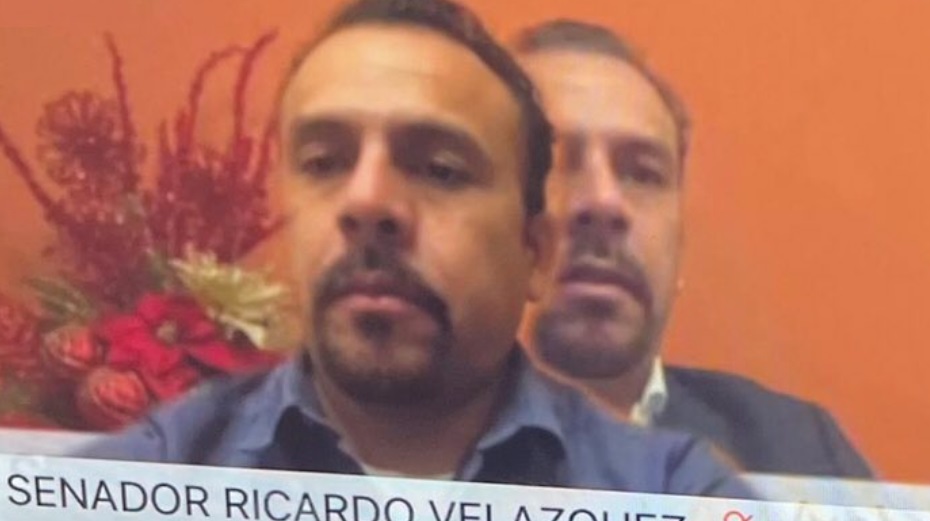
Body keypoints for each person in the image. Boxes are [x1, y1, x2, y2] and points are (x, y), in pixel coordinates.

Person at [76, 0, 751, 497]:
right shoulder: (148, 478)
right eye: (325, 162)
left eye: (440, 170)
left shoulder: (674, 492)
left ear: (535, 252)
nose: (367, 201)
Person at [514, 20, 873, 478]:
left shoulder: (799, 451)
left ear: (679, 250)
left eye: (643, 174)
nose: (605, 202)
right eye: (551, 164)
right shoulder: (422, 444)